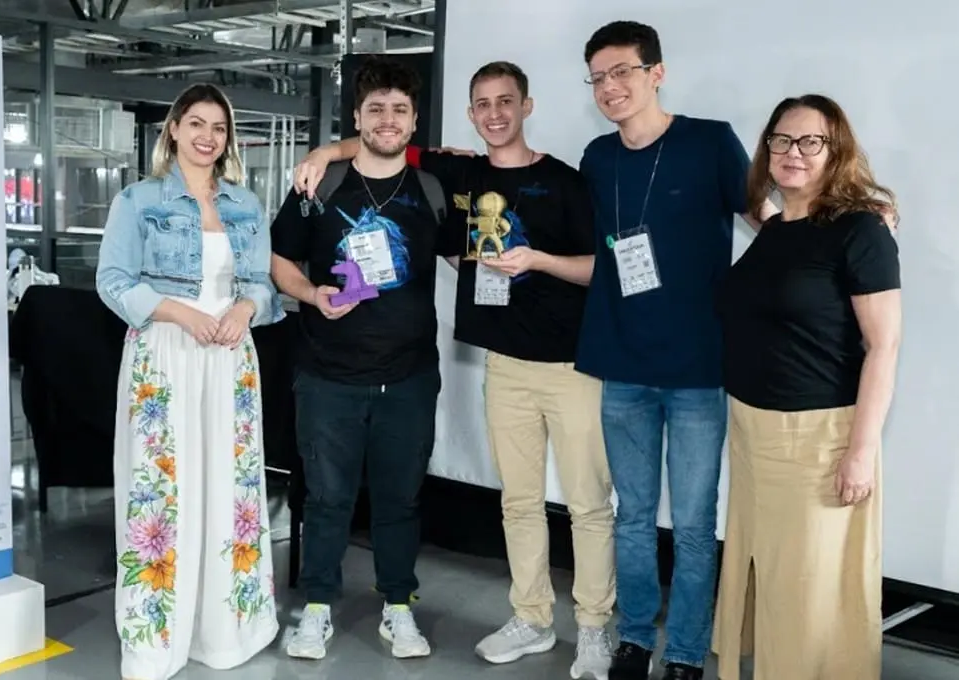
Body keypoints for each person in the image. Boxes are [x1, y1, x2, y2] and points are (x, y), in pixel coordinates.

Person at [293, 61, 615, 678]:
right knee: (519, 503)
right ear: (470, 114)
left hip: (571, 364)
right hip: (505, 364)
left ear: (526, 106)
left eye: (505, 102)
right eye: (482, 104)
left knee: (588, 505)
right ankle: (533, 618)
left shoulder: (565, 181)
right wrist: (323, 151)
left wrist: (539, 261)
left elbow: (598, 268)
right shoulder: (455, 172)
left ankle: (595, 629)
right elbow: (381, 140)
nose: (495, 114)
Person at [575, 21, 776, 680]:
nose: (610, 87)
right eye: (598, 77)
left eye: (622, 71)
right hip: (622, 366)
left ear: (656, 73)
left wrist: (850, 223)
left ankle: (686, 652)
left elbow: (769, 221)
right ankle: (635, 639)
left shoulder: (710, 142)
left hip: (696, 370)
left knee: (692, 523)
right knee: (632, 517)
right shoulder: (597, 158)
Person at [95, 83, 282, 680]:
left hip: (229, 355)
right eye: (196, 123)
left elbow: (262, 284)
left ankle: (226, 633)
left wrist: (244, 310)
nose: (208, 137)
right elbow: (112, 281)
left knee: (229, 488)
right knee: (161, 492)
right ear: (173, 128)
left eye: (219, 128)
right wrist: (181, 313)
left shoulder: (246, 205)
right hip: (165, 352)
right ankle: (157, 643)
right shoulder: (137, 200)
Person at [713, 95, 900, 680]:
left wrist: (860, 453)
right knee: (771, 581)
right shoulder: (776, 228)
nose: (792, 152)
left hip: (817, 441)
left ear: (836, 151)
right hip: (753, 435)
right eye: (781, 140)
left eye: (810, 141)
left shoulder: (861, 231)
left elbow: (884, 347)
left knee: (808, 591)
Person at [270, 55, 443, 662]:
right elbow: (280, 260)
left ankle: (399, 606)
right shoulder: (319, 186)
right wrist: (312, 294)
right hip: (328, 376)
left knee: (401, 499)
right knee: (326, 499)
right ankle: (316, 608)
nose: (388, 120)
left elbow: (466, 258)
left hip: (410, 378)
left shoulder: (431, 190)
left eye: (399, 110)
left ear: (414, 121)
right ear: (358, 118)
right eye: (376, 110)